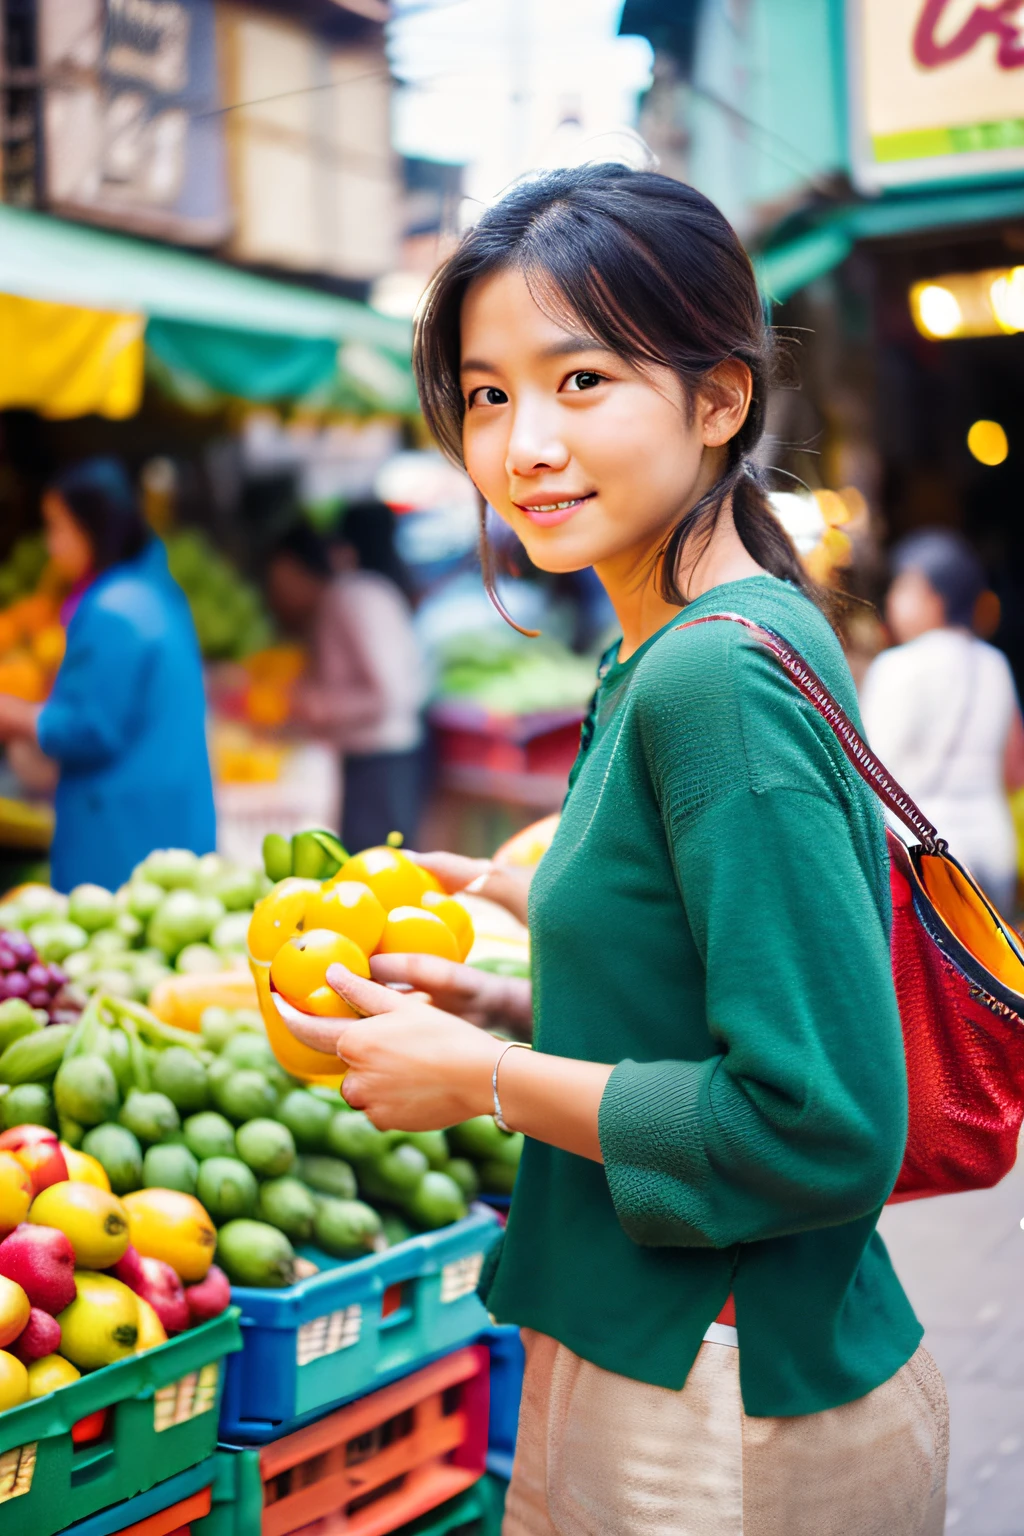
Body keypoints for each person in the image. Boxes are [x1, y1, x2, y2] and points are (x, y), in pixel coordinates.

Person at [279, 166, 948, 1535]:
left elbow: (819, 1126)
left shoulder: (715, 678)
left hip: (716, 1411)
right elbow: (703, 1008)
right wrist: (510, 1003)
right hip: (670, 1367)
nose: (522, 442)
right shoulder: (678, 642)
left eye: (580, 381)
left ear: (719, 399)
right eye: (486, 393)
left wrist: (492, 1076)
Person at [0, 457, 215, 892]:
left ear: (92, 527)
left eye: (57, 527)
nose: (51, 544)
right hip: (166, 817)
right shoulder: (157, 591)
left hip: (120, 832)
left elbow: (89, 728)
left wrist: (17, 715)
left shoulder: (112, 609)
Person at [861, 530, 1024, 915]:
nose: (890, 601)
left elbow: (872, 773)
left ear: (933, 597)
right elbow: (1014, 768)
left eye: (901, 589)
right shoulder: (994, 663)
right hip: (993, 850)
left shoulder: (898, 667)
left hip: (930, 862)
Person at [266, 506, 427, 853]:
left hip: (379, 759)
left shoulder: (352, 595)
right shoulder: (359, 592)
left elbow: (387, 694)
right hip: (378, 757)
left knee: (377, 867)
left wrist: (319, 707)